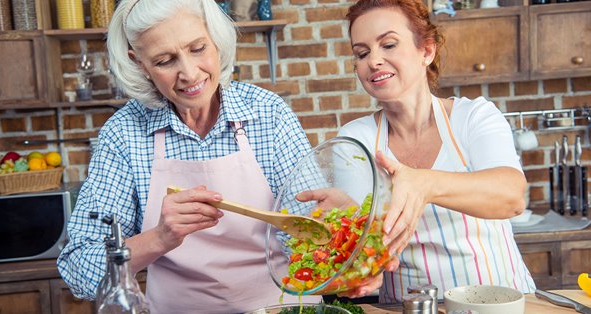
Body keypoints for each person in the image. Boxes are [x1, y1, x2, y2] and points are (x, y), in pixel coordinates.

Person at [56, 0, 321, 312]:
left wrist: (332, 229)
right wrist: (158, 238)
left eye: (198, 48)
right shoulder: (124, 133)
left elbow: (313, 234)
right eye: (165, 61)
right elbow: (78, 268)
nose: (189, 73)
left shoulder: (268, 114)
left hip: (283, 308)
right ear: (139, 63)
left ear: (215, 38)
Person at [337, 0, 536, 302]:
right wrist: (362, 267)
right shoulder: (355, 140)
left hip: (500, 304)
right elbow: (362, 243)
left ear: (426, 51)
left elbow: (511, 197)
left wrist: (424, 183)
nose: (373, 61)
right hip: (409, 308)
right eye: (361, 53)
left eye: (388, 44)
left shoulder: (473, 117)